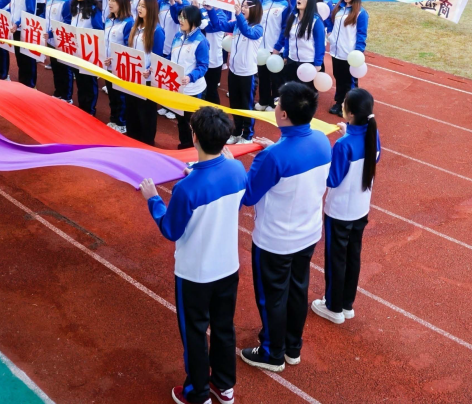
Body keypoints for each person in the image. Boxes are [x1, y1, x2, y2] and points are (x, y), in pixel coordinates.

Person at [140, 107, 246, 404]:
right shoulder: (237, 169)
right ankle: (224, 386)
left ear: (194, 136)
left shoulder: (186, 189)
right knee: (224, 327)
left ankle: (197, 394)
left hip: (195, 275)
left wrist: (153, 200)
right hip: (228, 267)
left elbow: (170, 229)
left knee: (195, 333)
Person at [240, 81, 331, 372]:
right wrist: (274, 150)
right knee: (297, 290)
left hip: (275, 240)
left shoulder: (273, 157)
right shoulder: (321, 140)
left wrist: (241, 163)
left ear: (283, 114)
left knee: (272, 297)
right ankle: (292, 347)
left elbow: (248, 195)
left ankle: (272, 352)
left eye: (278, 103)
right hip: (308, 234)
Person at [313, 87, 380, 324]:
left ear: (350, 114)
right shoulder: (373, 134)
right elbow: (374, 155)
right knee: (353, 256)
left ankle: (333, 306)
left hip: (340, 211)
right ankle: (346, 304)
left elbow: (332, 179)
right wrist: (348, 133)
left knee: (336, 259)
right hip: (361, 209)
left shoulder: (343, 145)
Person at [207, 0, 264, 143]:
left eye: (246, 6)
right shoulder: (237, 24)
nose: (243, 8)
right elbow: (219, 25)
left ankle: (248, 135)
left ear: (255, 10)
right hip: (233, 71)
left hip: (247, 73)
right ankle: (237, 132)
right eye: (242, 6)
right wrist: (211, 10)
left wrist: (238, 15)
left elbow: (247, 32)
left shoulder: (257, 28)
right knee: (234, 104)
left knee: (246, 105)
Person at [124, 0, 165, 144]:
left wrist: (148, 69)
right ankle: (132, 137)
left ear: (151, 9)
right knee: (132, 108)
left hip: (146, 79)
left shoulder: (157, 31)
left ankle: (147, 141)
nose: (139, 9)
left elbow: (157, 56)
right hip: (132, 75)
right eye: (139, 5)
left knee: (146, 112)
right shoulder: (136, 26)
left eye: (143, 6)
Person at [170, 5, 211, 149]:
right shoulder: (178, 36)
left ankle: (195, 151)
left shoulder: (201, 41)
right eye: (180, 16)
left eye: (184, 17)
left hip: (193, 89)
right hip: (178, 87)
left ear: (193, 20)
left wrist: (190, 77)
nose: (180, 20)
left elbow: (203, 66)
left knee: (193, 123)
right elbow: (171, 57)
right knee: (181, 120)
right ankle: (185, 145)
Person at [326, 0, 368, 116]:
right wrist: (330, 34)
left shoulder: (361, 13)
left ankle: (350, 106)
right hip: (336, 52)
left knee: (349, 82)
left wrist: (358, 52)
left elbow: (361, 34)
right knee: (339, 78)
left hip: (350, 55)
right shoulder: (338, 8)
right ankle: (339, 102)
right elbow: (329, 21)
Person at [273, 0, 325, 85]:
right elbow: (288, 38)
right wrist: (286, 55)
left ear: (310, 2)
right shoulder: (292, 17)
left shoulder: (316, 21)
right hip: (291, 60)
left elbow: (320, 44)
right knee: (291, 89)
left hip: (308, 62)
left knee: (305, 91)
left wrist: (318, 63)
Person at [256, 0, 290, 111]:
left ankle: (274, 104)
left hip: (276, 49)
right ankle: (263, 101)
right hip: (262, 48)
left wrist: (277, 47)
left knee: (276, 79)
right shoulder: (264, 2)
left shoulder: (285, 5)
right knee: (263, 76)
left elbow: (285, 29)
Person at [103, 0, 134, 132]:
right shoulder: (109, 20)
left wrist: (115, 58)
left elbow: (128, 47)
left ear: (121, 2)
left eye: (113, 1)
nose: (110, 3)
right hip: (108, 65)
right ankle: (114, 118)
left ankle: (122, 123)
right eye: (109, 0)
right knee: (112, 94)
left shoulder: (128, 23)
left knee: (120, 96)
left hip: (120, 67)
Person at [7, 0, 39, 86]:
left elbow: (30, 12)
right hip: (15, 28)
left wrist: (17, 22)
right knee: (20, 59)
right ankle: (22, 84)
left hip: (25, 30)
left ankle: (31, 86)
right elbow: (12, 6)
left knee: (28, 60)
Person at [45, 0, 74, 96]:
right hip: (51, 40)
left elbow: (67, 22)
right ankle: (58, 92)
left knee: (64, 69)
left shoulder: (67, 1)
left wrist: (51, 33)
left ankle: (67, 96)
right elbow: (45, 15)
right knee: (56, 67)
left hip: (62, 41)